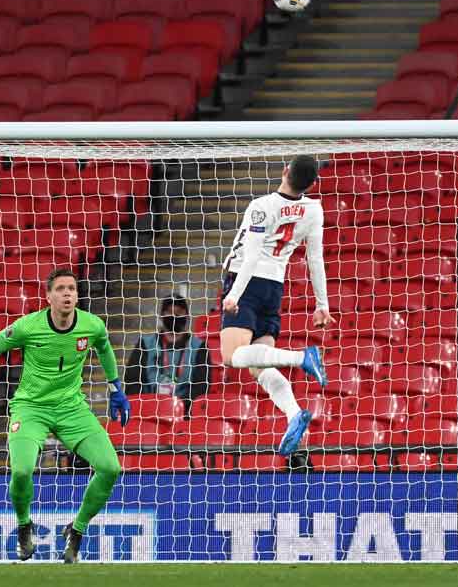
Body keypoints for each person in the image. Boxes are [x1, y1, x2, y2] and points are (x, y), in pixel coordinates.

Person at [0, 268, 130, 564]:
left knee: (110, 467)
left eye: (72, 289)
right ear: (48, 296)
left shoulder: (91, 325)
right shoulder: (28, 326)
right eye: (61, 289)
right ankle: (25, 527)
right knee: (22, 470)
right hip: (30, 408)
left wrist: (116, 389)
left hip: (72, 409)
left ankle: (76, 530)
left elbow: (103, 346)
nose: (67, 294)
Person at [219, 154, 333, 457]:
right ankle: (294, 413)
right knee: (259, 365)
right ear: (312, 183)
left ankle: (301, 358)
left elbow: (252, 256)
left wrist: (234, 295)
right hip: (274, 287)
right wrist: (322, 304)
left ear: (285, 171)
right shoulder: (314, 209)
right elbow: (315, 258)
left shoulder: (261, 206)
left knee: (231, 357)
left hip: (247, 282)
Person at [124, 295, 210, 412]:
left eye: (179, 312)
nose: (174, 316)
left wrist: (178, 408)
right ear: (161, 315)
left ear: (187, 316)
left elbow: (201, 387)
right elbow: (132, 381)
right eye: (169, 312)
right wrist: (148, 406)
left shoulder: (199, 346)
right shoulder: (145, 343)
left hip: (185, 414)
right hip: (147, 411)